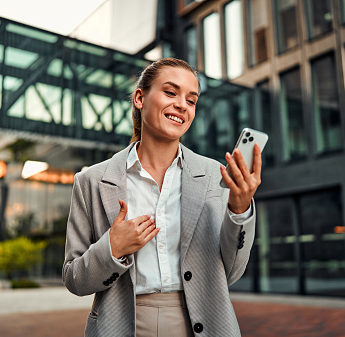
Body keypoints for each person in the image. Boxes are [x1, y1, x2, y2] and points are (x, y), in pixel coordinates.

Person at [63, 58, 262, 337]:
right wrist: (112, 247)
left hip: (202, 323)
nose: (182, 104)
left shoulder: (215, 178)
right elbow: (74, 280)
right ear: (140, 98)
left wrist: (239, 211)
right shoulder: (91, 181)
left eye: (191, 100)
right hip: (122, 325)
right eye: (171, 92)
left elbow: (230, 272)